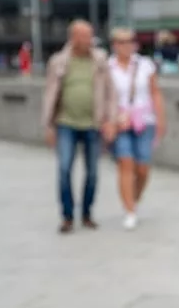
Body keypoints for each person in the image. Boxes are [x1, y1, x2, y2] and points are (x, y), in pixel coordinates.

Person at [41, 20, 118, 233]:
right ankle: (67, 216)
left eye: (90, 36)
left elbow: (111, 93)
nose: (87, 40)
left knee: (92, 172)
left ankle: (86, 213)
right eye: (83, 36)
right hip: (66, 123)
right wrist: (48, 126)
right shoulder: (59, 62)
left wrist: (110, 120)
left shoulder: (100, 60)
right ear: (73, 38)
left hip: (93, 124)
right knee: (64, 168)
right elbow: (49, 94)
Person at [108, 27, 166, 231]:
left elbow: (155, 92)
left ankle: (134, 198)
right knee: (126, 163)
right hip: (120, 121)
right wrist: (108, 121)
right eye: (122, 42)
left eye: (130, 42)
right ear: (114, 45)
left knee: (143, 167)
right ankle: (129, 210)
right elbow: (103, 97)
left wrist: (161, 119)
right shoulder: (107, 67)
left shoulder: (145, 65)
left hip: (144, 119)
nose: (127, 46)